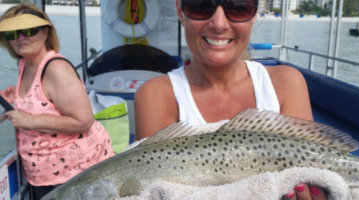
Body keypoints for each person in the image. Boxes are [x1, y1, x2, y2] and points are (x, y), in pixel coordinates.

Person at [134, 0, 326, 199]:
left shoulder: (287, 83)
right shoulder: (155, 95)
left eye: (238, 7)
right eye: (200, 6)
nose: (219, 24)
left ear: (255, 14)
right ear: (180, 12)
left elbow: (311, 164)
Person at [0, 3, 114, 200]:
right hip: (43, 176)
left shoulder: (56, 69)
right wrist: (17, 99)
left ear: (45, 33)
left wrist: (28, 120)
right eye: (12, 33)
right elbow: (42, 100)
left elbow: (83, 120)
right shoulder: (25, 64)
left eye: (28, 30)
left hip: (77, 176)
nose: (20, 38)